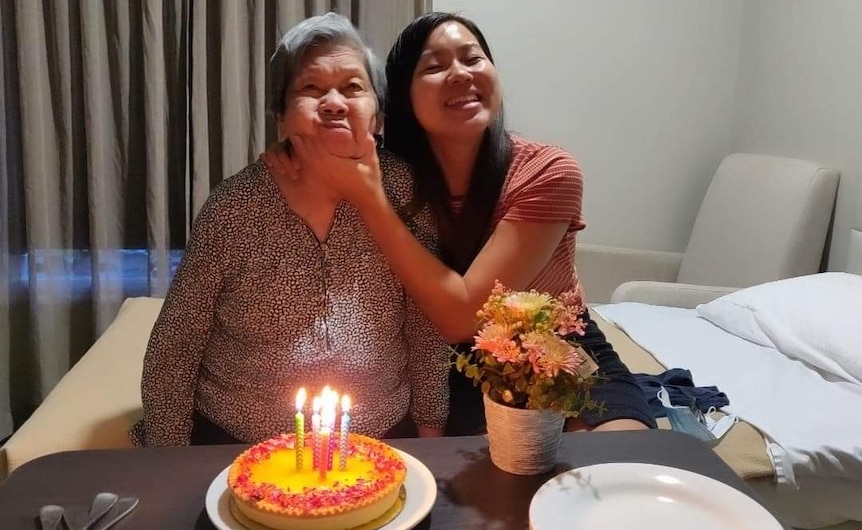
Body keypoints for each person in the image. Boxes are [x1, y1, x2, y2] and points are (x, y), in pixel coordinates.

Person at [265, 12, 656, 434]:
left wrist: (369, 199)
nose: (459, 75)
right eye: (434, 66)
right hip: (446, 362)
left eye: (472, 59)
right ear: (401, 98)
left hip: (555, 348)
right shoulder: (392, 176)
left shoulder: (546, 172)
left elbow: (465, 314)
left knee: (622, 457)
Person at [134, 13, 449, 447]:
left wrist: (431, 434)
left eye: (353, 88)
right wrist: (167, 462)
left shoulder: (406, 193)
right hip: (237, 443)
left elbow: (425, 326)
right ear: (281, 117)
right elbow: (176, 347)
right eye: (311, 89)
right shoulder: (236, 205)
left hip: (378, 440)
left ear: (377, 117)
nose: (334, 103)